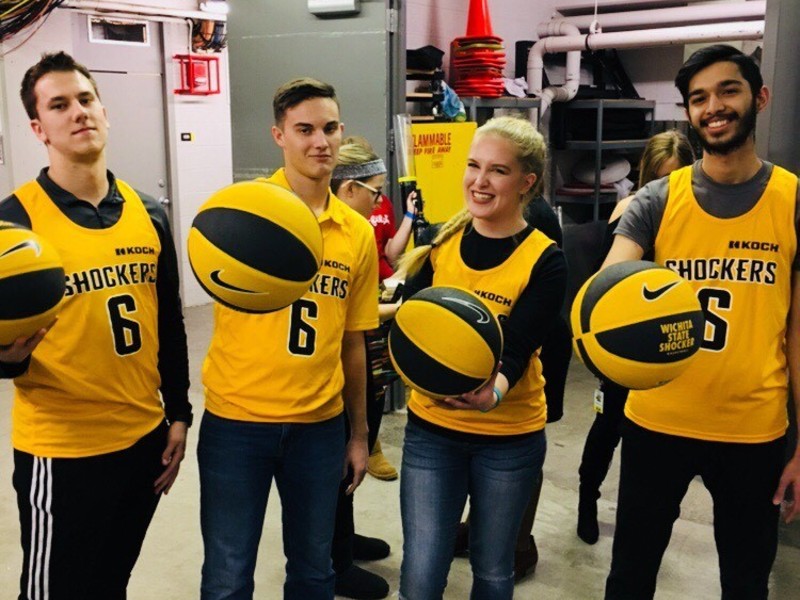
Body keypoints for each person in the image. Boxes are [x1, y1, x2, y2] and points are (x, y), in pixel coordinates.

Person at [602, 45, 800, 599]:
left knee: (745, 583)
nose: (714, 107)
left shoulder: (792, 201)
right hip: (657, 422)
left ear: (760, 97)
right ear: (689, 112)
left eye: (728, 90)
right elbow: (608, 291)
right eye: (699, 98)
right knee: (629, 579)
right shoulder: (656, 200)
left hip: (753, 430)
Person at [0, 51, 191, 599]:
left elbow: (169, 322)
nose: (78, 112)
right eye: (59, 105)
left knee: (110, 583)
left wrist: (179, 413)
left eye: (86, 99)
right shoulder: (14, 222)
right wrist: (5, 360)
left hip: (143, 440)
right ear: (39, 128)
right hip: (63, 450)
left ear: (104, 111)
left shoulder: (149, 211)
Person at [198, 78, 379, 600]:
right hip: (237, 421)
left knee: (314, 572)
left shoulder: (356, 232)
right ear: (279, 135)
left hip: (318, 427)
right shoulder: (241, 211)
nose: (320, 142)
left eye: (329, 128)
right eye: (304, 130)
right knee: (228, 576)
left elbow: (354, 342)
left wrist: (359, 434)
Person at [397, 115, 568, 599]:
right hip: (432, 431)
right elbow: (412, 325)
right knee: (421, 572)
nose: (480, 180)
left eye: (498, 170)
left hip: (509, 438)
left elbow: (517, 346)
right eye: (474, 166)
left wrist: (491, 394)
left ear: (526, 182)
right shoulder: (440, 243)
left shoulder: (545, 259)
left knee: (493, 570)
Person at [576, 130, 695, 545]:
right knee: (608, 427)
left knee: (660, 443)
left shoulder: (693, 215)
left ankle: (650, 517)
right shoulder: (631, 211)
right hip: (628, 339)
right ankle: (586, 498)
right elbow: (606, 283)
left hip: (670, 339)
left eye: (675, 177)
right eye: (660, 177)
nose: (667, 185)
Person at [453, 193, 571, 581]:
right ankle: (475, 525)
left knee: (524, 446)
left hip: (540, 341)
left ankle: (519, 542)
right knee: (480, 444)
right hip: (491, 339)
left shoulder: (535, 217)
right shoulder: (479, 214)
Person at [324, 139, 401, 600]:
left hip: (362, 360)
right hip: (335, 368)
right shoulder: (329, 234)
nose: (380, 201)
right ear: (349, 188)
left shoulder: (356, 234)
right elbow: (352, 316)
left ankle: (346, 541)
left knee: (355, 453)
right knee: (338, 463)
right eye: (375, 191)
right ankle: (336, 561)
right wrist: (403, 307)